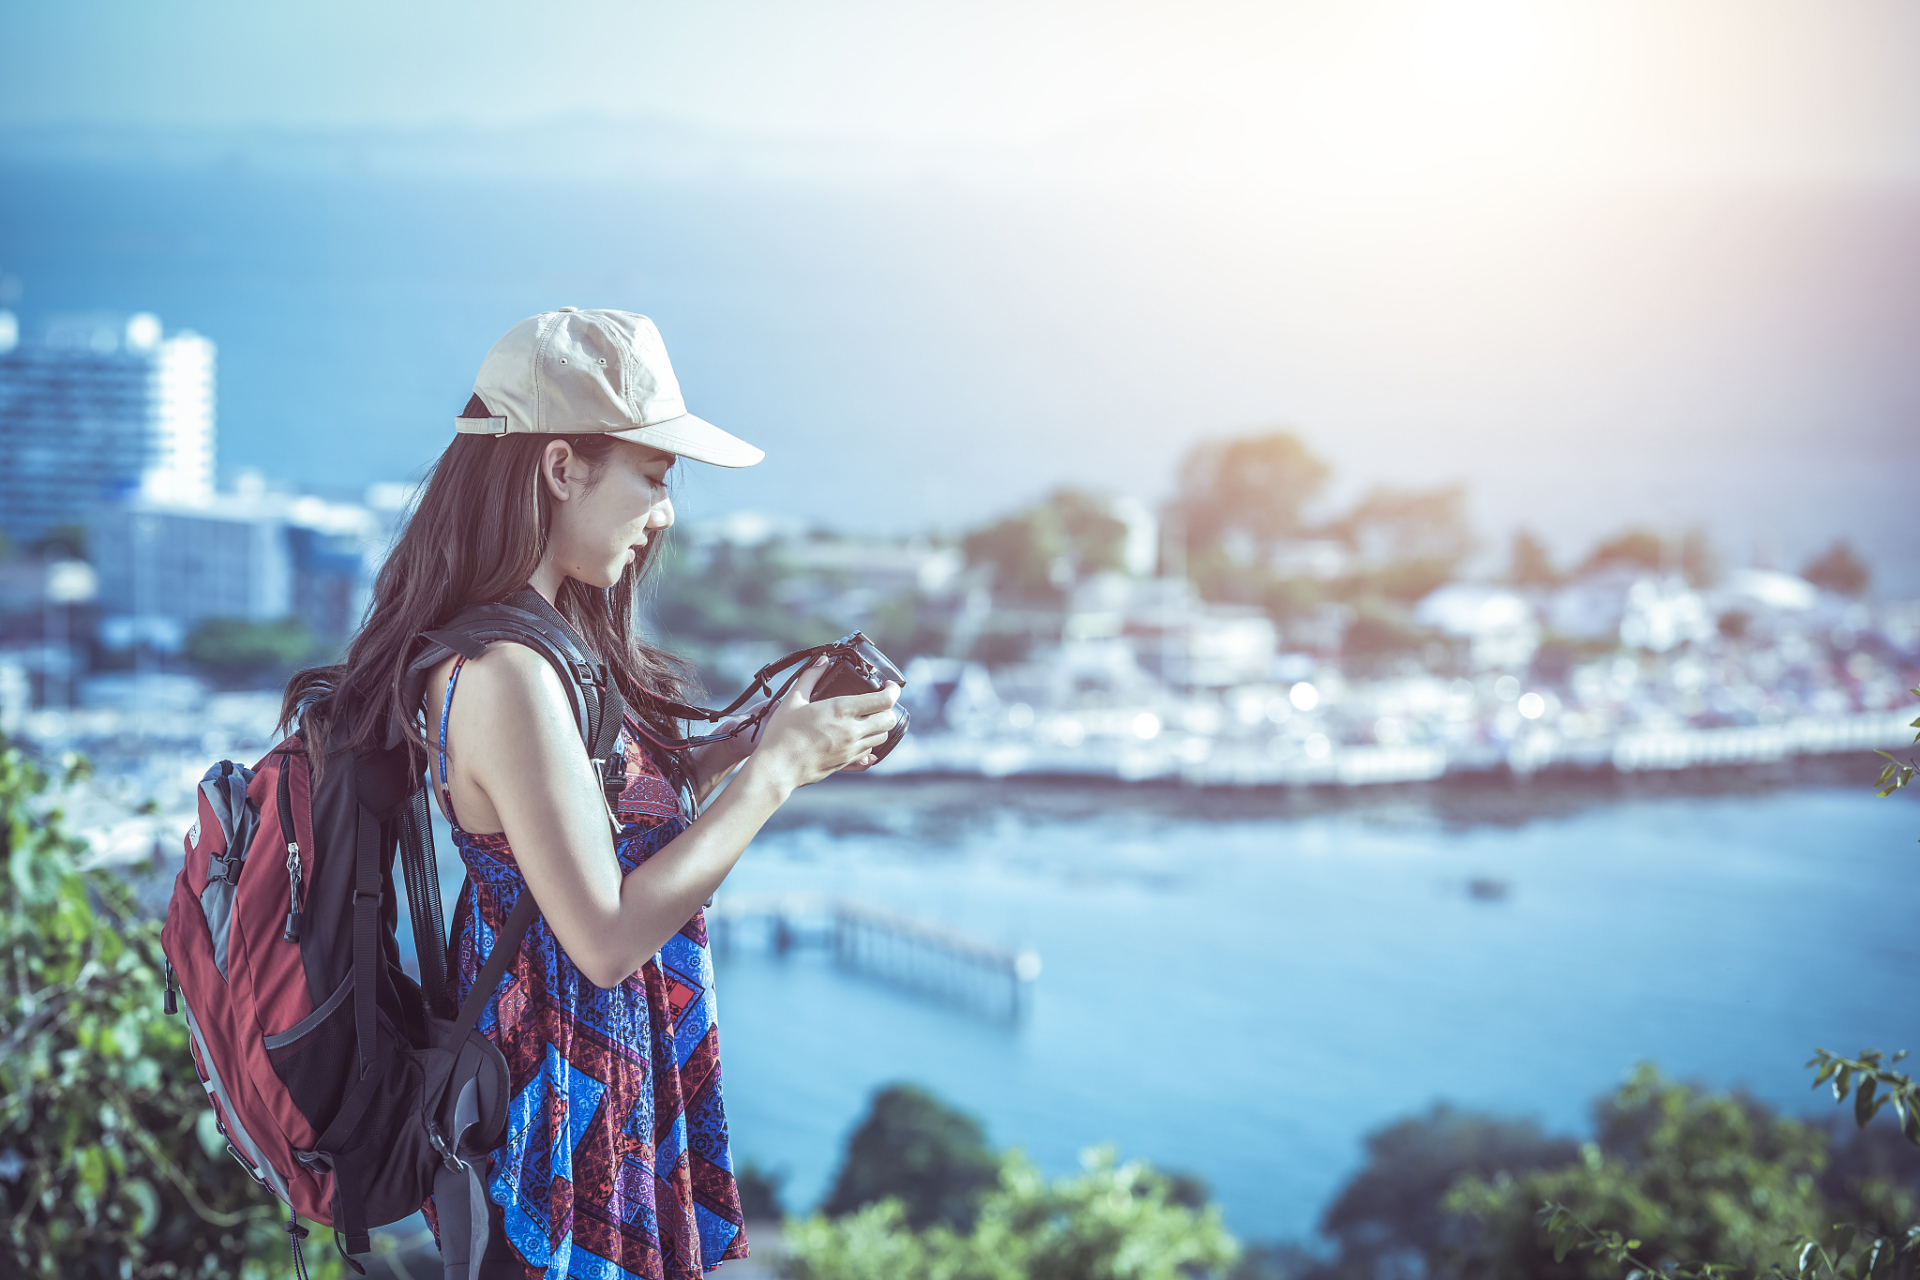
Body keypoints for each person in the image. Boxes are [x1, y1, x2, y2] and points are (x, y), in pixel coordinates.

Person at [286, 308, 900, 1278]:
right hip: (562, 1117)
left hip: (592, 1088)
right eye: (653, 478)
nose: (663, 514)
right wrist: (776, 775)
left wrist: (757, 738)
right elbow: (606, 937)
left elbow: (598, 821)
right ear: (561, 466)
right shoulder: (505, 672)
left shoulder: (543, 642)